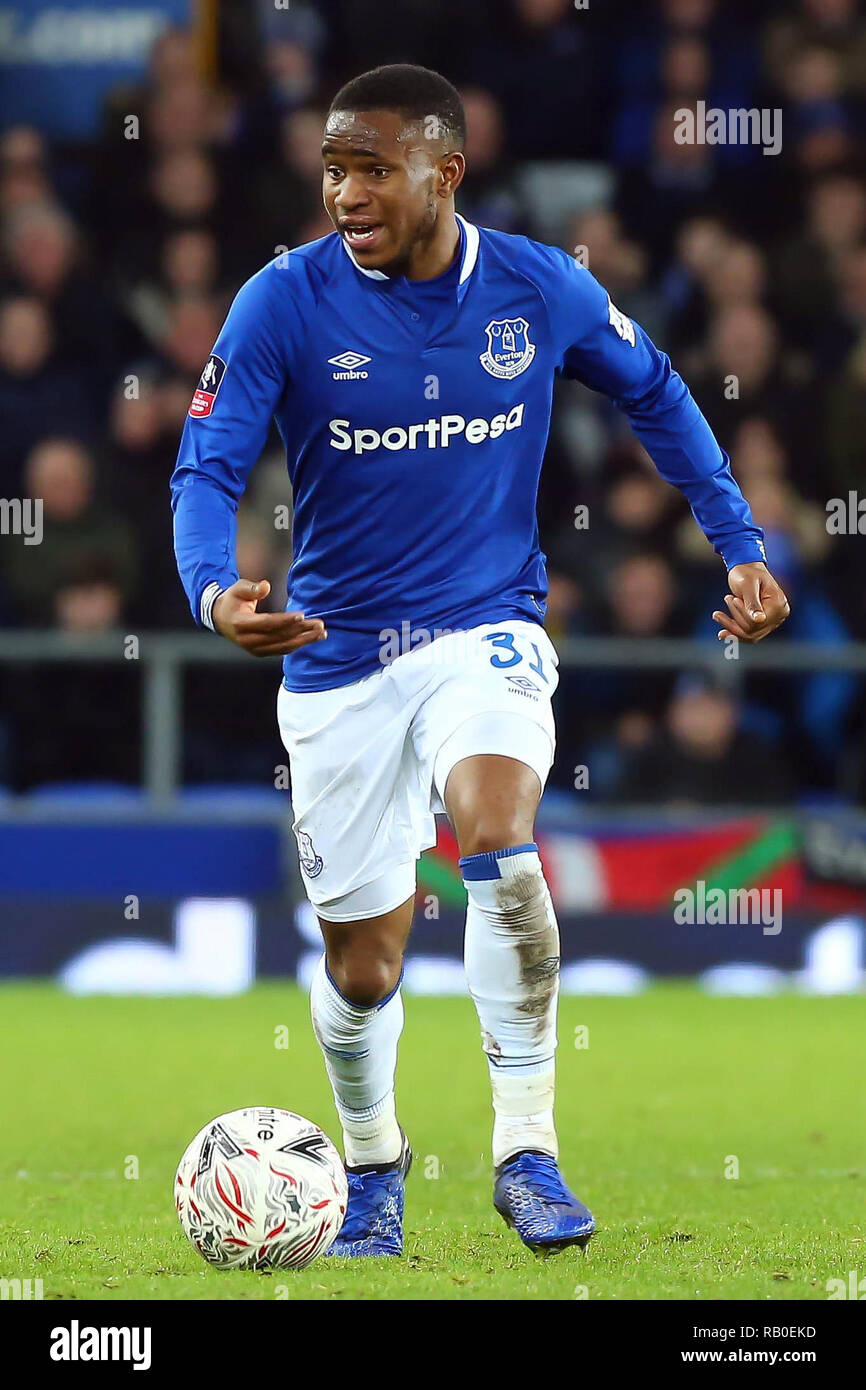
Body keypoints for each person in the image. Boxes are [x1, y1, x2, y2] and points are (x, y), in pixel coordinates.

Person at [171, 64, 790, 1259]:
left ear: (442, 172)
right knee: (364, 969)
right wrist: (211, 593)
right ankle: (372, 1171)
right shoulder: (280, 303)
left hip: (482, 627)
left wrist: (738, 542)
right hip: (336, 655)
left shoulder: (535, 286)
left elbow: (657, 391)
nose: (345, 190)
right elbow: (203, 469)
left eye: (370, 167)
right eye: (331, 168)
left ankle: (526, 1153)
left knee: (496, 838)